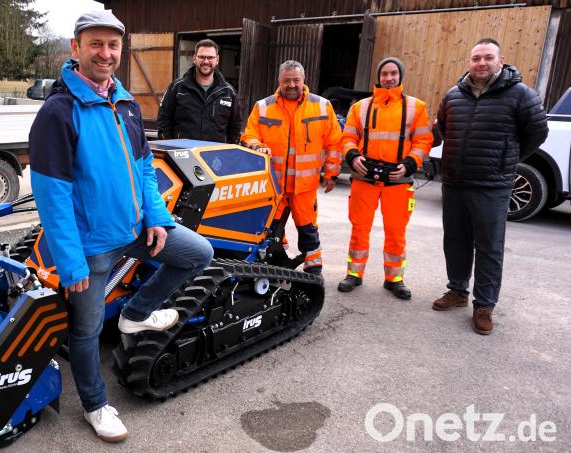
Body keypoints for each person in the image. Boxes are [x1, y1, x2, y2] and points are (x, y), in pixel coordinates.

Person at [28, 10, 214, 441]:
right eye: (95, 44)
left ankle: (135, 314)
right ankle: (95, 405)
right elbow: (52, 196)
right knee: (87, 330)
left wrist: (157, 218)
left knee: (197, 253)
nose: (105, 53)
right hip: (92, 246)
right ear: (76, 49)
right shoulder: (59, 111)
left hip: (134, 230)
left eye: (113, 45)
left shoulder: (126, 104)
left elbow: (145, 168)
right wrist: (70, 263)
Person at [433, 38, 548, 334]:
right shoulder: (453, 95)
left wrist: (506, 160)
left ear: (501, 60)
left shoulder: (521, 94)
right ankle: (458, 291)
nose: (481, 63)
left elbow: (537, 132)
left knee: (489, 247)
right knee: (456, 241)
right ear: (469, 62)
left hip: (492, 185)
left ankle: (484, 305)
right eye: (476, 58)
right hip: (455, 182)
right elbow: (444, 129)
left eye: (487, 57)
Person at [337, 57, 434, 300]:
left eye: (393, 73)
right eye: (384, 74)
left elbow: (424, 141)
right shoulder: (360, 107)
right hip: (365, 177)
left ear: (400, 76)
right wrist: (352, 156)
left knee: (396, 230)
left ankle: (394, 279)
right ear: (378, 77)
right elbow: (347, 136)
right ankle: (354, 274)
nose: (389, 78)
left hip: (398, 180)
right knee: (359, 228)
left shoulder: (416, 107)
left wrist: (410, 164)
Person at [240, 60, 342, 273]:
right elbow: (249, 134)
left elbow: (334, 142)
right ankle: (273, 265)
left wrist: (331, 173)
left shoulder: (322, 106)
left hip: (304, 188)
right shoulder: (263, 107)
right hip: (274, 187)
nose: (292, 85)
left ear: (304, 80)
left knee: (308, 231)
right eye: (287, 81)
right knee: (270, 231)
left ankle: (314, 270)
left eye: (296, 80)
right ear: (279, 81)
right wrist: (258, 146)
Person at [157, 39, 241, 143]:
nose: (206, 61)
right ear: (194, 58)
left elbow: (235, 126)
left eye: (210, 58)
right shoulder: (177, 88)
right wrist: (170, 148)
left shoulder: (228, 92)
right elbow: (164, 120)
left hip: (215, 157)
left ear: (217, 60)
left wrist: (228, 151)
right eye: (201, 57)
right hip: (183, 155)